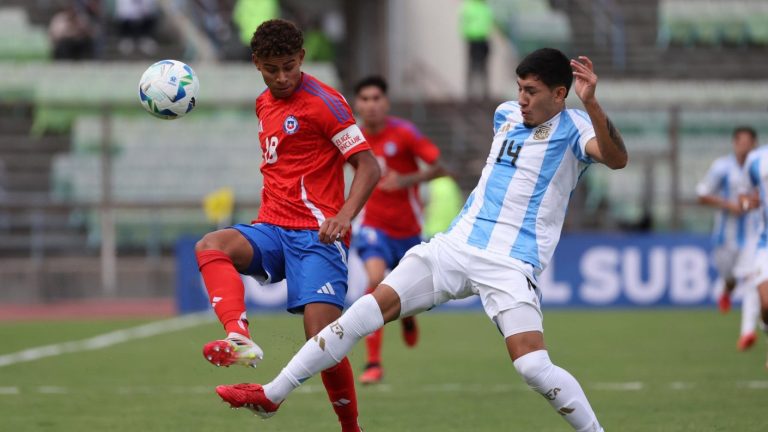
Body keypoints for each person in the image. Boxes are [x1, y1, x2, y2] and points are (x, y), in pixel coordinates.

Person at [214, 47, 626, 432]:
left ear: (559, 94)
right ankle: (272, 394)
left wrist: (590, 102)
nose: (521, 98)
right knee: (359, 315)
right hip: (454, 247)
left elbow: (616, 158)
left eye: (531, 92)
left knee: (533, 367)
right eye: (519, 88)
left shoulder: (575, 128)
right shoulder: (504, 115)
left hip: (511, 262)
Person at [195, 19, 380, 432]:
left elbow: (368, 166)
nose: (282, 77)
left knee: (323, 342)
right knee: (211, 245)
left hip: (317, 237)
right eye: (272, 68)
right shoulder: (264, 103)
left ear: (302, 59)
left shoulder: (325, 103)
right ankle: (239, 337)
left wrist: (344, 214)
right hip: (273, 228)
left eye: (290, 66)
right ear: (256, 63)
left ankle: (351, 427)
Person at [350, 76, 447, 384]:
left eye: (376, 98)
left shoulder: (404, 133)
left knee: (408, 292)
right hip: (371, 227)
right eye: (364, 99)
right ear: (357, 104)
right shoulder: (352, 138)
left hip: (408, 231)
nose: (371, 104)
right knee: (375, 281)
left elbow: (440, 166)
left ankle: (408, 315)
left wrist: (404, 180)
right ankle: (373, 363)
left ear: (386, 102)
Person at [697, 126, 761, 350]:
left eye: (748, 142)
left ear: (754, 143)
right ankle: (727, 289)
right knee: (731, 277)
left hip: (755, 235)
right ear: (734, 143)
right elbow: (702, 195)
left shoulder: (759, 165)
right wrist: (730, 205)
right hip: (725, 236)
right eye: (740, 142)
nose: (744, 146)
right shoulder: (722, 167)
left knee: (753, 278)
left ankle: (747, 332)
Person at [742, 144, 768, 367]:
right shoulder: (757, 159)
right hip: (765, 242)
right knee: (766, 304)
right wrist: (746, 203)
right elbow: (743, 197)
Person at [459, 0, 494, 100]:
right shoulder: (469, 6)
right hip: (473, 39)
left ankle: (484, 92)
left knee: (483, 67)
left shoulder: (485, 7)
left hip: (483, 39)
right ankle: (471, 93)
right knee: (473, 66)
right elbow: (464, 23)